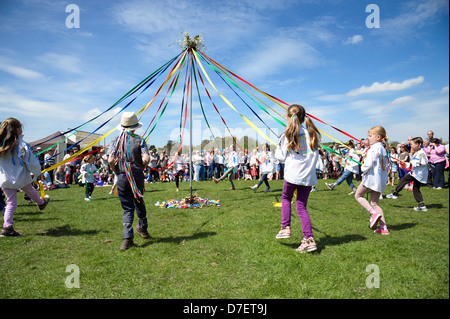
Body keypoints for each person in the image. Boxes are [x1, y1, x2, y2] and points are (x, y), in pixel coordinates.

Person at [274, 104, 321, 253]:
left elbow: (280, 157)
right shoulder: (312, 134)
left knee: (286, 198)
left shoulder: (286, 135)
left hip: (293, 175)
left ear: (289, 117)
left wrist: (278, 146)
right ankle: (309, 240)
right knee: (301, 207)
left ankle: (285, 228)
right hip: (308, 177)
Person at [0, 118, 50, 237]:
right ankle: (40, 203)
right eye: (21, 128)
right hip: (19, 177)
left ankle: (7, 227)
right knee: (28, 188)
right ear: (17, 130)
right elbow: (31, 162)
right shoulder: (21, 145)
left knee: (11, 202)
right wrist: (38, 174)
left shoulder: (1, 145)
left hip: (5, 179)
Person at [108, 112, 150, 251]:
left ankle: (127, 239)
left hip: (121, 176)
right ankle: (142, 229)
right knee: (139, 201)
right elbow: (147, 158)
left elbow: (110, 160)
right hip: (136, 175)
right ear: (135, 126)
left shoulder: (115, 140)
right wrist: (141, 167)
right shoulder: (140, 140)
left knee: (127, 207)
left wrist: (116, 171)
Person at [354, 126, 390, 235]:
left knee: (358, 195)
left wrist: (362, 168)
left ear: (378, 137)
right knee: (374, 202)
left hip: (371, 178)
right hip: (380, 179)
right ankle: (384, 228)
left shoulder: (374, 148)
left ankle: (373, 213)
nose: (368, 138)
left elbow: (368, 163)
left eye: (370, 136)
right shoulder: (382, 148)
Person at [386, 137, 429, 211]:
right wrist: (405, 163)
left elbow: (425, 162)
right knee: (416, 189)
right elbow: (412, 164)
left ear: (418, 144)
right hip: (416, 173)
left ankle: (394, 193)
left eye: (412, 144)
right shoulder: (417, 153)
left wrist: (413, 163)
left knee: (404, 180)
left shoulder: (422, 153)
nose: (411, 146)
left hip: (418, 174)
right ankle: (422, 205)